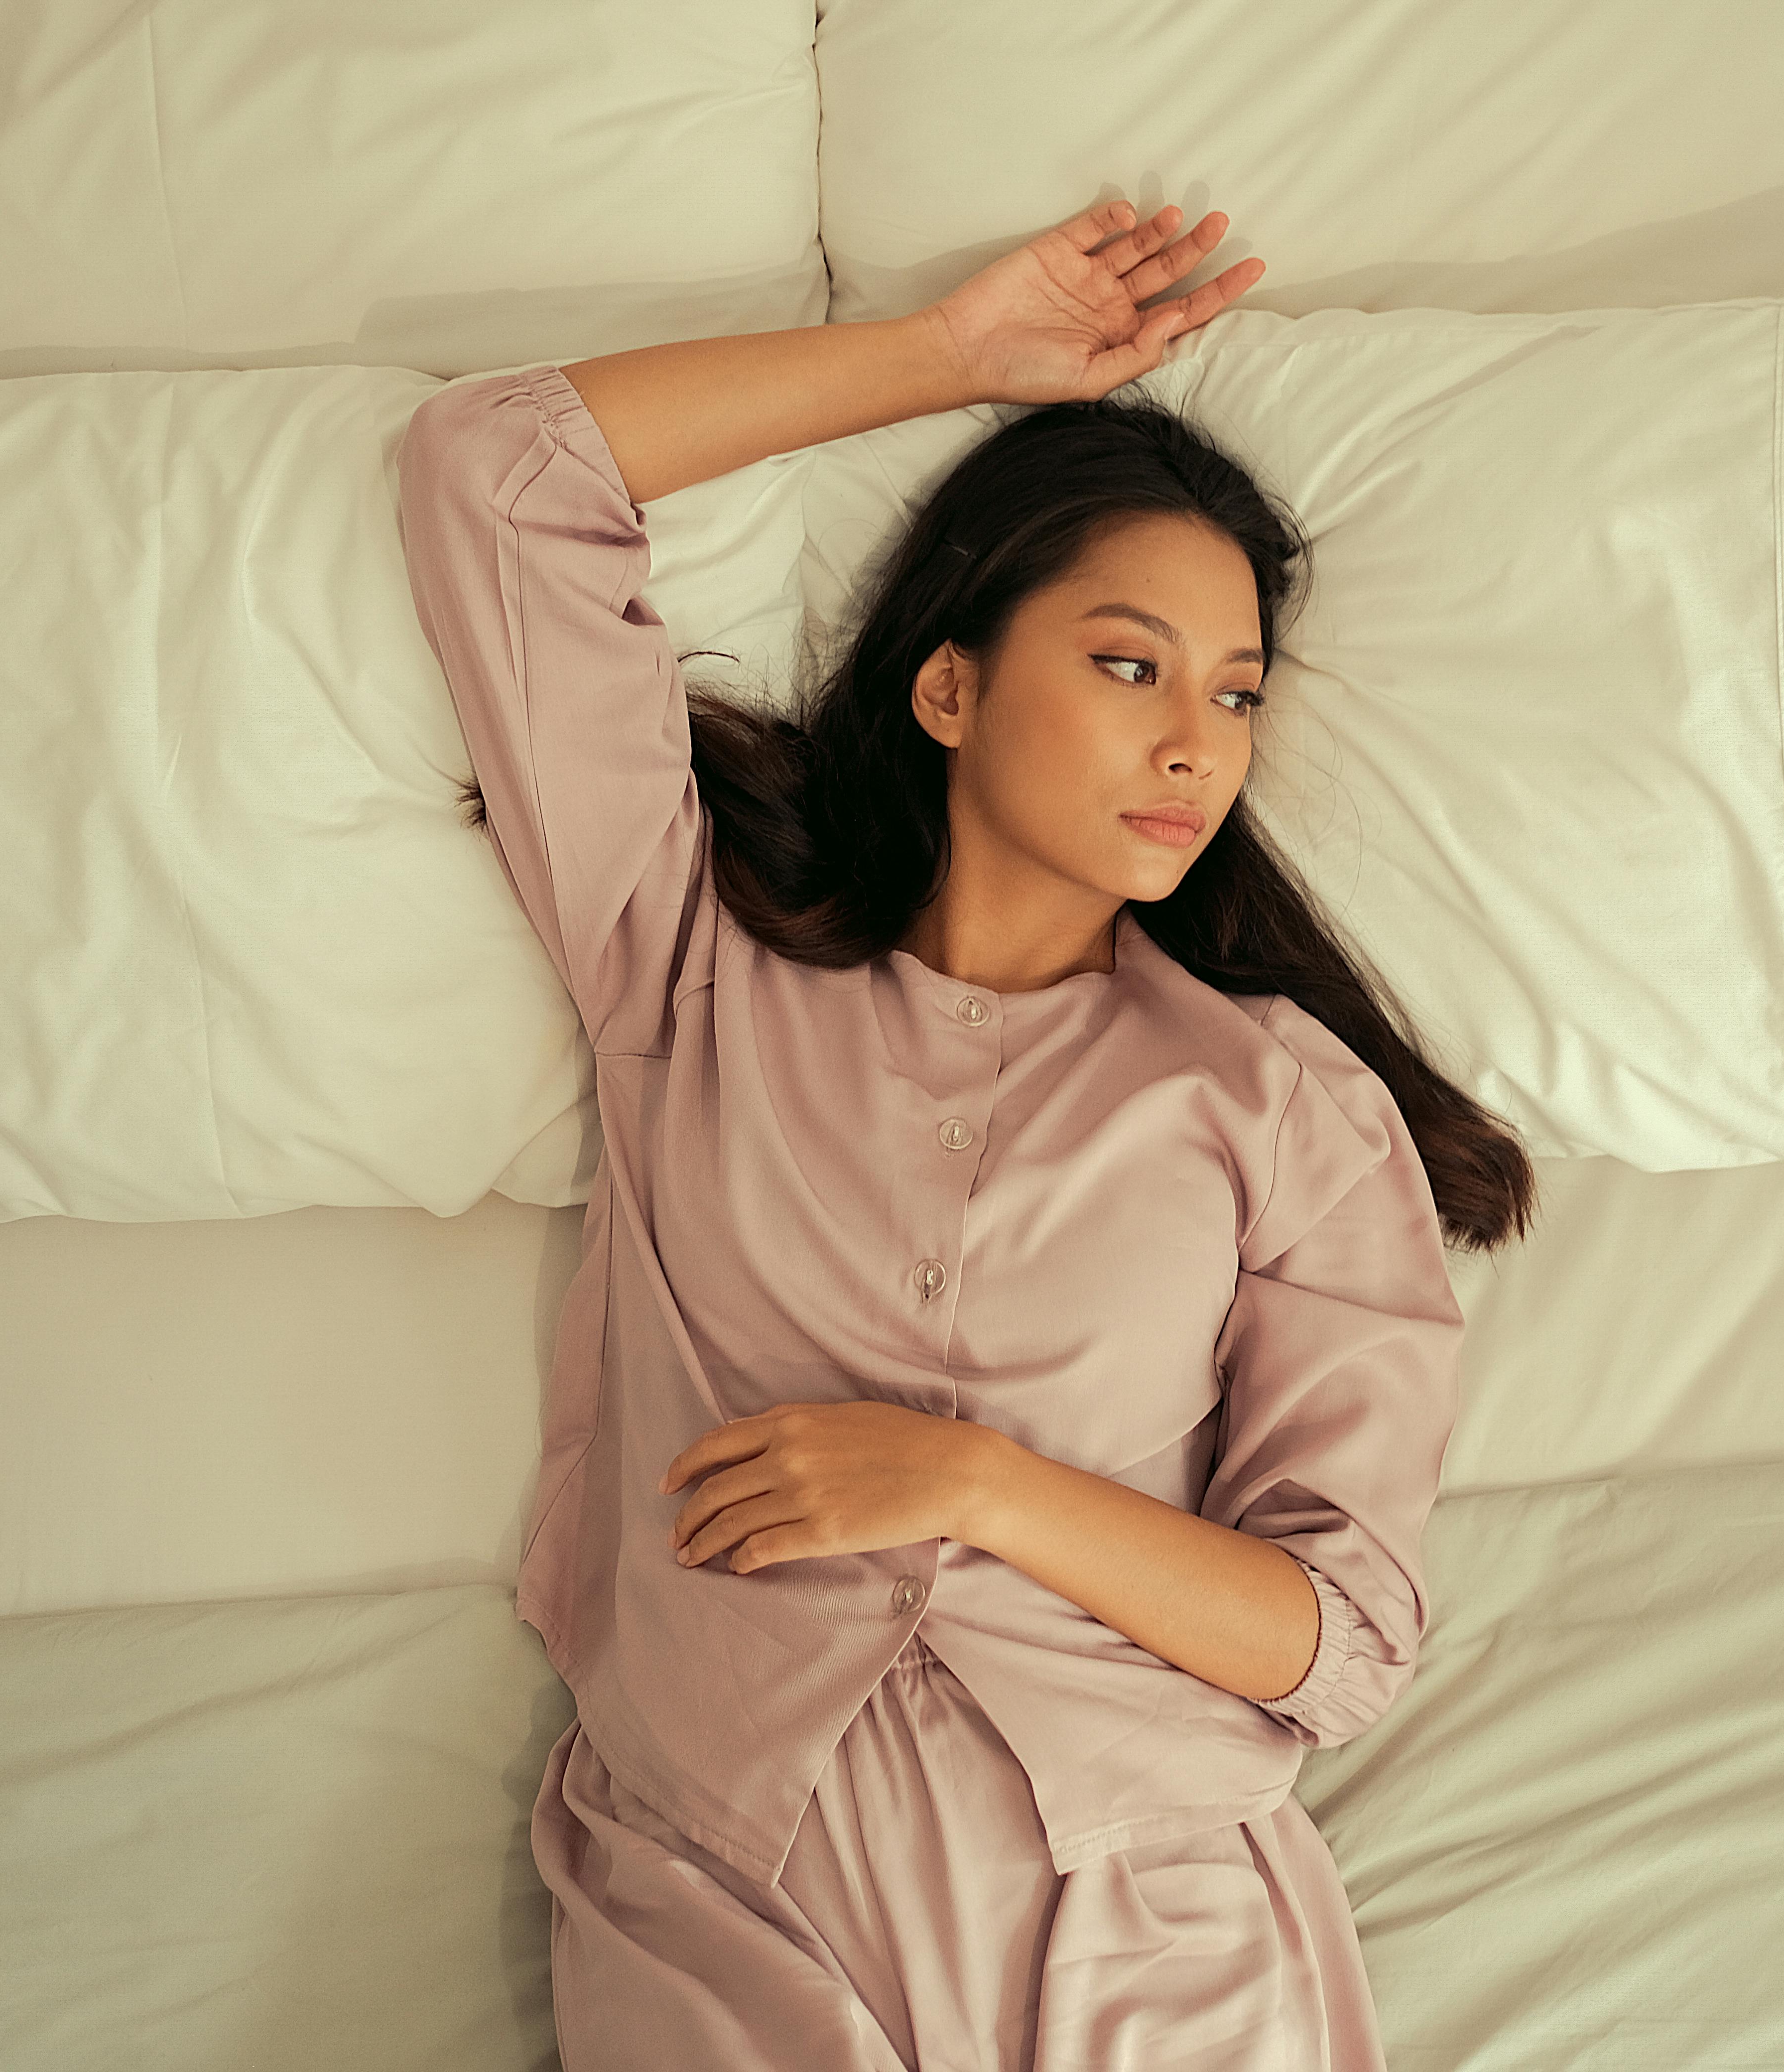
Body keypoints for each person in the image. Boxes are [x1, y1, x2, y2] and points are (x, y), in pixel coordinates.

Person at [395, 198, 1536, 2071]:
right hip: (724, 1908)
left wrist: (976, 1484)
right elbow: (494, 470)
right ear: (949, 684)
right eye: (1126, 663)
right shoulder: (686, 974)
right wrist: (944, 360)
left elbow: (1338, 1641)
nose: (1196, 742)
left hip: (1150, 1926)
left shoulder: (1276, 1102)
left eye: (1237, 694)